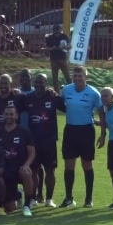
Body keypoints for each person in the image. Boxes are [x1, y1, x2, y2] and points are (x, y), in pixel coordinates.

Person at [59, 66, 105, 208]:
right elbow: (58, 103)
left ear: (86, 77)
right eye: (75, 76)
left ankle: (88, 199)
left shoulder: (93, 93)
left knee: (87, 164)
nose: (77, 78)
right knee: (69, 165)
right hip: (70, 130)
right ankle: (68, 198)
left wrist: (103, 134)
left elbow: (102, 114)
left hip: (86, 131)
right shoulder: (66, 90)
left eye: (80, 76)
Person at [24, 73, 64, 207]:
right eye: (37, 82)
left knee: (50, 170)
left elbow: (65, 107)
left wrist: (59, 93)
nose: (39, 85)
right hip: (33, 141)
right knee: (34, 170)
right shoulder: (28, 98)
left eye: (42, 82)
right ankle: (33, 198)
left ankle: (49, 199)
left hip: (49, 140)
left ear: (46, 83)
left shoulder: (52, 97)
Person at [0, 106, 36, 216]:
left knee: (26, 172)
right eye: (6, 114)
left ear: (16, 116)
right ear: (3, 115)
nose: (9, 116)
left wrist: (26, 165)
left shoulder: (24, 131)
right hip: (4, 170)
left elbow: (32, 152)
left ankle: (27, 205)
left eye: (11, 114)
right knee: (10, 208)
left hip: (18, 169)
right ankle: (16, 195)